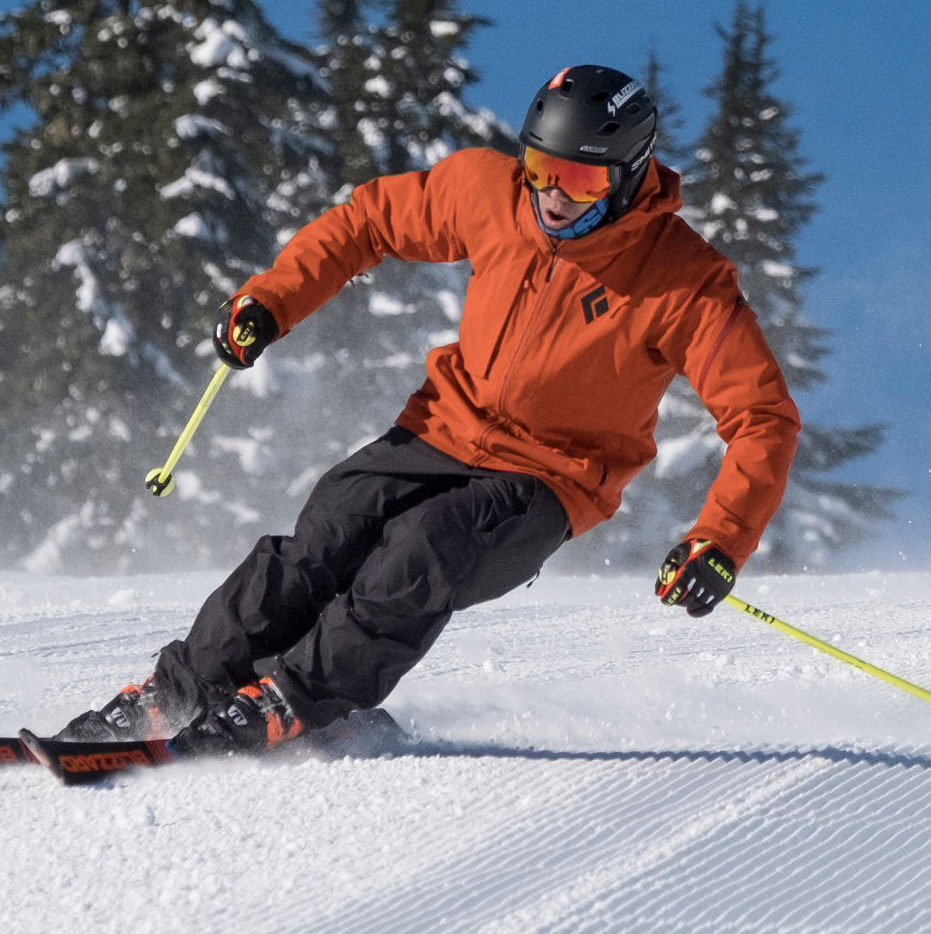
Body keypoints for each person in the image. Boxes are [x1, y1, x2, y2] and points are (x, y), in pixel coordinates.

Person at [56, 63, 802, 751]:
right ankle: (178, 692)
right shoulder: (490, 193)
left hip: (550, 479)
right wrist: (271, 300)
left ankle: (295, 699)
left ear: (628, 175)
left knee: (422, 550)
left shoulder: (685, 280)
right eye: (540, 168)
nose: (550, 196)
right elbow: (367, 223)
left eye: (577, 180)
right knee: (329, 528)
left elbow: (761, 417)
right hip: (440, 428)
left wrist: (721, 541)